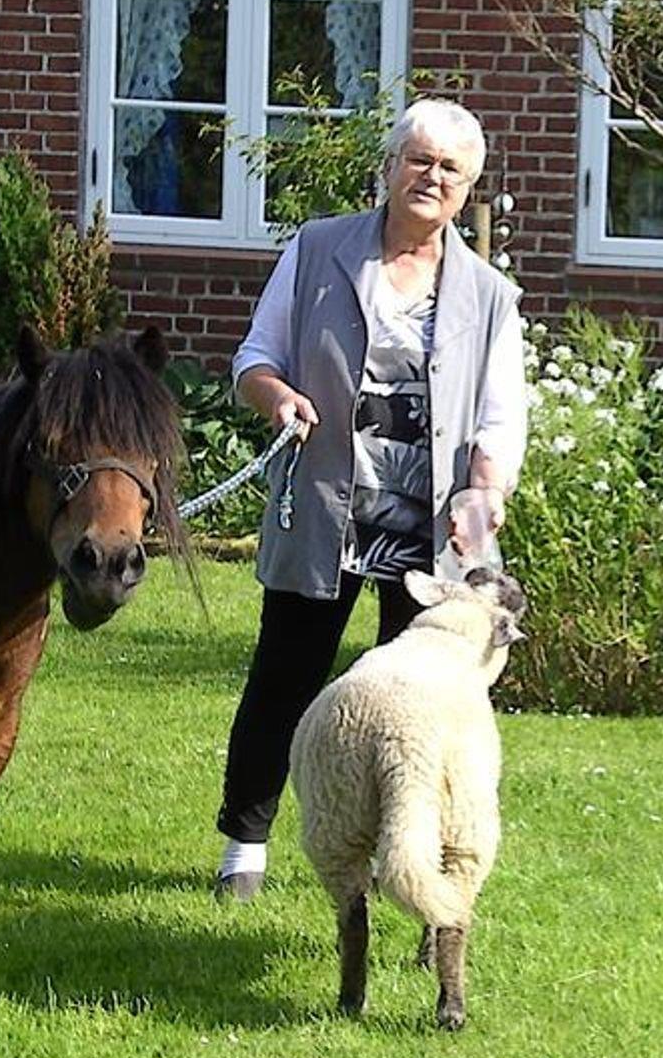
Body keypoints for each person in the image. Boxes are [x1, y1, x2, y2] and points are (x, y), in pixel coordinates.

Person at [213, 98, 526, 900]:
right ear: (389, 167)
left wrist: (486, 489)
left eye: (450, 169)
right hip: (326, 507)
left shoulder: (489, 294)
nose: (432, 177)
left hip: (431, 527)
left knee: (421, 706)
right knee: (286, 676)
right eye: (419, 159)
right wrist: (279, 398)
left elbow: (500, 416)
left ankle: (407, 854)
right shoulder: (319, 249)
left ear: (468, 189)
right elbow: (255, 358)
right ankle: (245, 846)